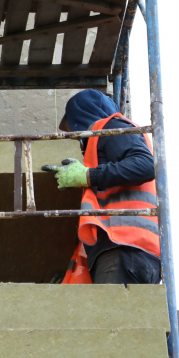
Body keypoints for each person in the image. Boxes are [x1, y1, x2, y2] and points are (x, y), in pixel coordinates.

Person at [53, 89, 162, 285]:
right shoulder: (109, 136)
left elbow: (146, 165)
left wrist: (88, 175)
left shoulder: (111, 127)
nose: (77, 138)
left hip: (125, 248)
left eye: (75, 129)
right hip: (131, 249)